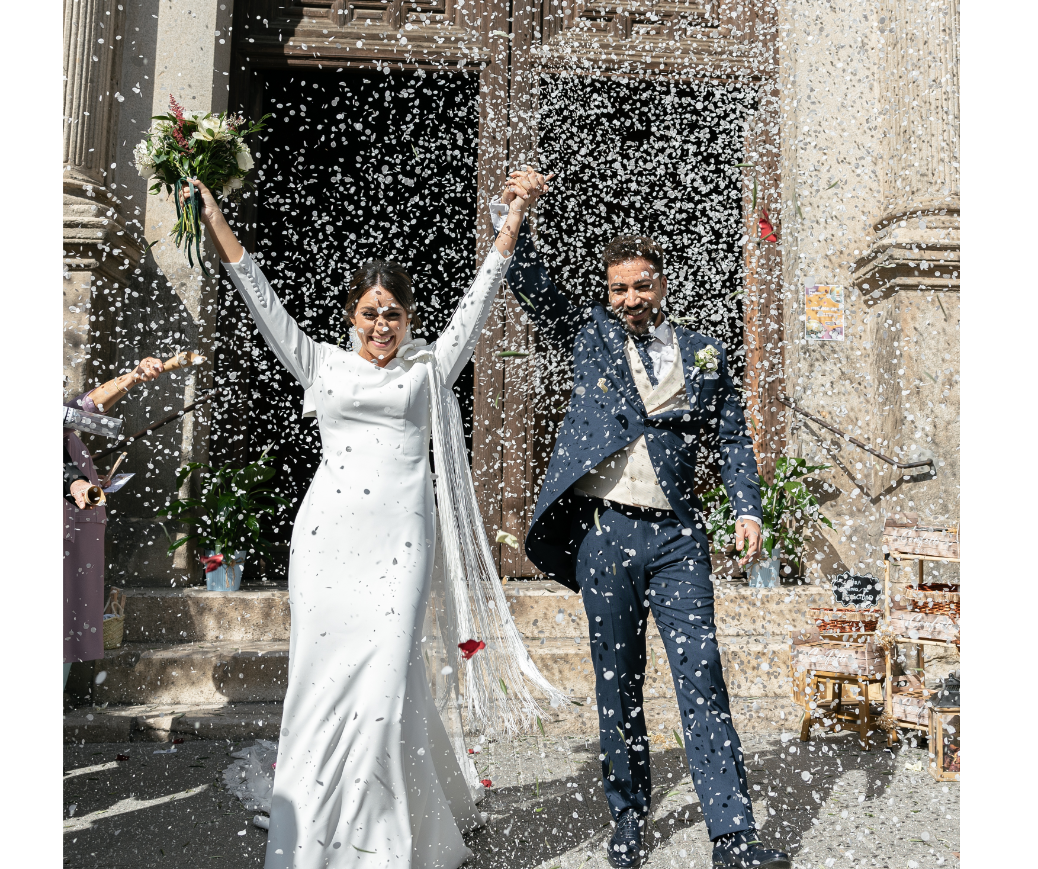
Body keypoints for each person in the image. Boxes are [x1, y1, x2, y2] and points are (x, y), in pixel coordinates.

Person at [187, 176, 566, 868]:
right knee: (320, 682)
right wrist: (215, 218)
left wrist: (513, 219)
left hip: (400, 545)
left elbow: (481, 299)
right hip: (327, 543)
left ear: (410, 318)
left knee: (388, 688)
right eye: (370, 313)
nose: (382, 326)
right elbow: (258, 294)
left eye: (393, 313)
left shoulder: (430, 369)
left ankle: (386, 839)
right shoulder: (321, 364)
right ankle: (318, 823)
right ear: (351, 317)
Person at [498, 169, 790, 869]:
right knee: (616, 682)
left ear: (663, 285)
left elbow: (731, 438)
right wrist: (516, 211)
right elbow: (531, 284)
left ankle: (733, 836)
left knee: (703, 678)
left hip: (677, 540)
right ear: (608, 295)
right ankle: (627, 819)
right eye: (619, 289)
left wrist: (747, 509)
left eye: (642, 285)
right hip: (605, 537)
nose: (631, 299)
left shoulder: (704, 351)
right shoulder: (589, 335)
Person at [65, 355, 167, 691]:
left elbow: (90, 404)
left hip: (82, 527)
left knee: (70, 627)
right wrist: (78, 483)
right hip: (70, 526)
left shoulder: (67, 418)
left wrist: (134, 377)